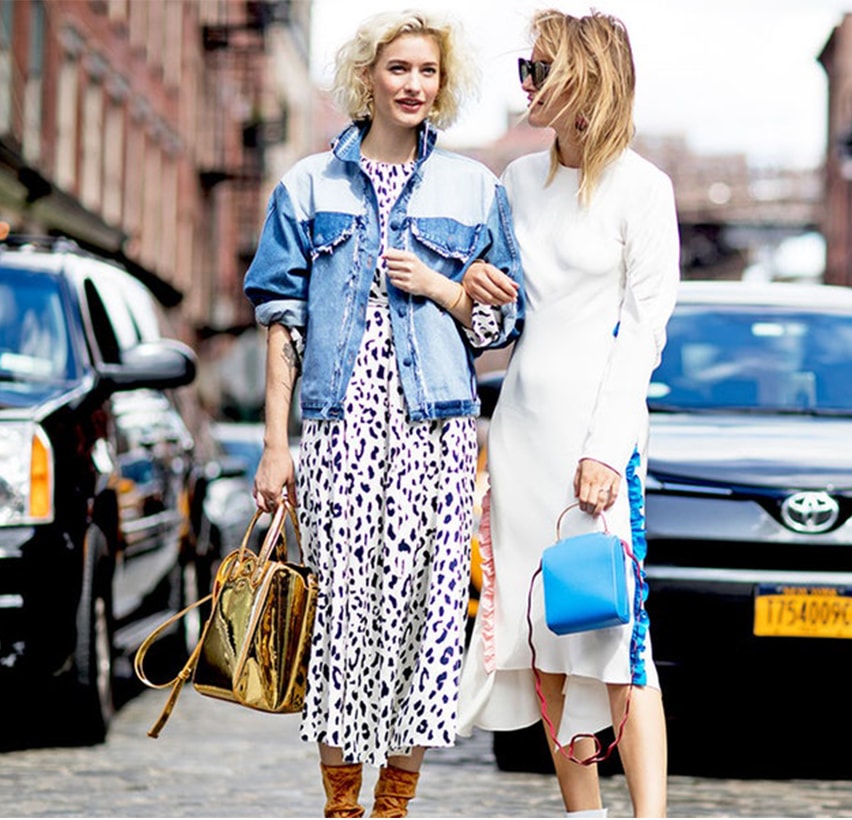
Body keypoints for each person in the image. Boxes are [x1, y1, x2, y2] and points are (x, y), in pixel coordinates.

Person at [243, 10, 523, 818]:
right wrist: (274, 446)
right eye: (399, 69)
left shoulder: (475, 189)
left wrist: (441, 286)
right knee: (341, 616)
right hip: (339, 429)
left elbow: (501, 323)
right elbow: (282, 324)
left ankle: (395, 805)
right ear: (368, 77)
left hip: (436, 430)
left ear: (444, 83)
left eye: (428, 72)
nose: (413, 85)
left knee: (424, 621)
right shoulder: (307, 186)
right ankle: (341, 807)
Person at [456, 8, 680, 819]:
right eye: (526, 67)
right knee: (547, 633)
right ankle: (583, 814)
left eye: (539, 68)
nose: (526, 84)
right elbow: (498, 326)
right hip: (520, 436)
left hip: (600, 442)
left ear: (586, 77)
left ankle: (648, 816)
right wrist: (474, 296)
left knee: (618, 641)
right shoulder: (515, 184)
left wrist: (605, 447)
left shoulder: (643, 190)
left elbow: (644, 333)